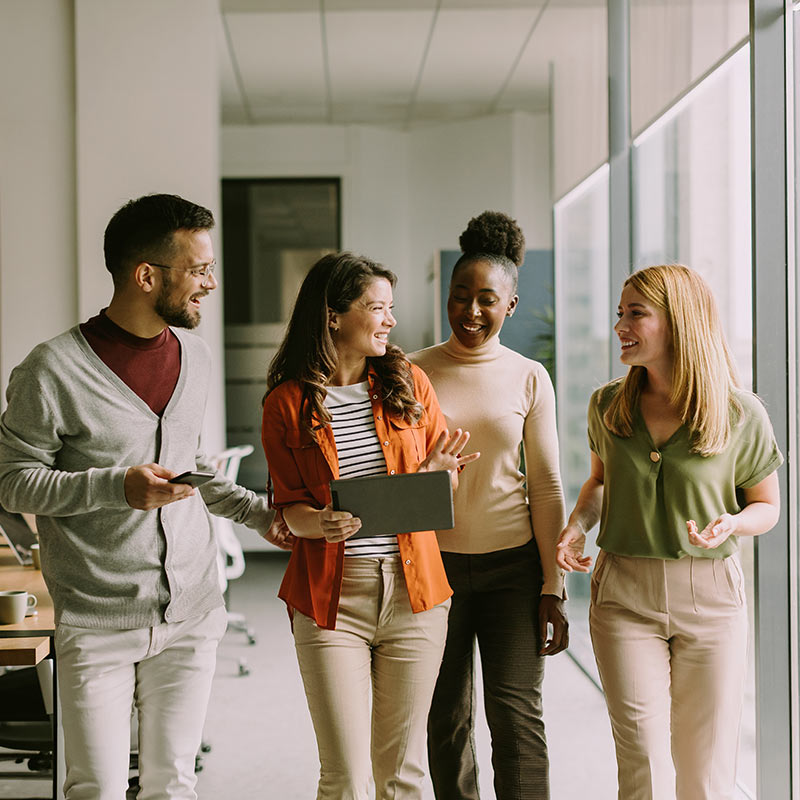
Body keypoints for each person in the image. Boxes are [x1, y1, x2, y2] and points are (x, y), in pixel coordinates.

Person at [0, 193, 291, 800]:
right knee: (95, 789)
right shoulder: (51, 370)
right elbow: (12, 481)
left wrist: (260, 515)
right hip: (96, 617)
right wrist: (116, 486)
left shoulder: (196, 355)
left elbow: (187, 473)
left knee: (172, 785)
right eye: (200, 269)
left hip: (192, 610)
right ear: (146, 275)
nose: (210, 283)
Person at [556, 264, 782, 800]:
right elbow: (599, 483)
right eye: (620, 313)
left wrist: (733, 523)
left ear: (679, 321)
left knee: (705, 770)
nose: (621, 326)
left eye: (637, 313)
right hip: (624, 596)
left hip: (711, 598)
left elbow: (767, 506)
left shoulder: (739, 413)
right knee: (643, 763)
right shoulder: (607, 404)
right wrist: (577, 524)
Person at [261, 251, 479, 800]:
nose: (390, 320)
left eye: (390, 308)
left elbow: (438, 497)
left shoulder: (410, 384)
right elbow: (288, 510)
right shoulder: (286, 404)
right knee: (344, 777)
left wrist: (435, 476)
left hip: (416, 595)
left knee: (403, 774)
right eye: (376, 307)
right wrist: (321, 523)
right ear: (333, 316)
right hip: (332, 600)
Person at [410, 211, 567, 800]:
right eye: (459, 296)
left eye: (486, 299)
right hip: (434, 569)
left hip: (513, 570)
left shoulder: (530, 377)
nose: (471, 312)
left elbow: (547, 485)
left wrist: (553, 584)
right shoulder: (413, 372)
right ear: (446, 296)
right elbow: (398, 477)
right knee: (444, 719)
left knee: (517, 719)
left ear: (511, 304)